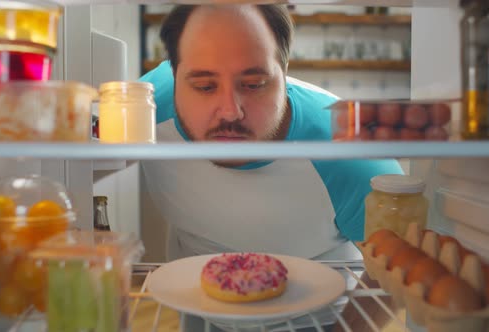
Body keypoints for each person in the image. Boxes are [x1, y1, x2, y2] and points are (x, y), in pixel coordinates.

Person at [139, 4, 402, 331]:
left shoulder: (350, 151)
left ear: (284, 72)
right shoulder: (139, 112)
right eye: (205, 87)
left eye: (253, 84)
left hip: (317, 320)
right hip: (200, 309)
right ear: (174, 76)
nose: (230, 112)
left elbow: (401, 268)